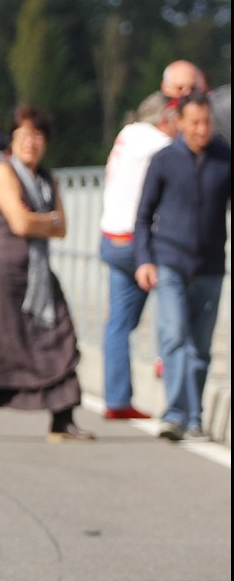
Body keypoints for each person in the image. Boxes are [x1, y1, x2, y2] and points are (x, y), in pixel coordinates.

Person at [0, 106, 92, 443]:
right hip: (2, 272)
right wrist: (47, 220)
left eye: (37, 136)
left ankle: (63, 418)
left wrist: (45, 222)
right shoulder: (2, 174)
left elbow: (62, 227)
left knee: (60, 335)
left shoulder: (47, 178)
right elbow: (21, 222)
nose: (31, 143)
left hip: (37, 272)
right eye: (24, 136)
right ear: (12, 140)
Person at [134, 92, 231, 442]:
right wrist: (144, 259)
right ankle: (176, 414)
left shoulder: (225, 159)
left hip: (210, 266)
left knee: (201, 348)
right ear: (180, 122)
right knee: (175, 337)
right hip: (170, 262)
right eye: (195, 123)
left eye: (207, 122)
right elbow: (143, 216)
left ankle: (195, 416)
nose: (202, 129)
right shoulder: (164, 160)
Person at [96, 90, 179, 420]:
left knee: (119, 323)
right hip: (141, 242)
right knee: (176, 299)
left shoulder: (127, 134)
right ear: (164, 120)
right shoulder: (157, 142)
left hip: (112, 238)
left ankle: (117, 400)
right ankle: (165, 363)